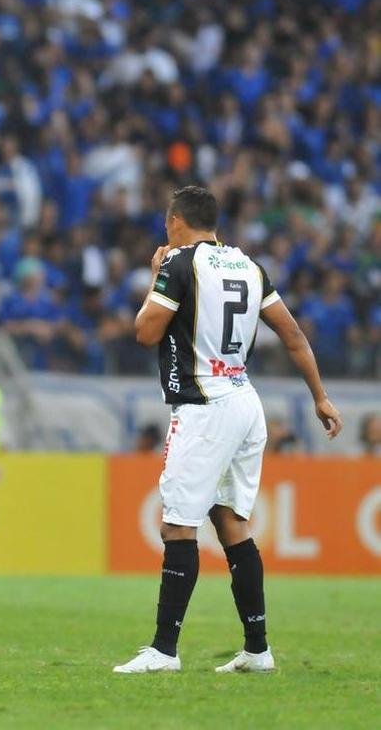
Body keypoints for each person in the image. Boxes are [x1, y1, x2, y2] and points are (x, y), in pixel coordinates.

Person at [114, 185, 343, 675]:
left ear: (176, 222)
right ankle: (258, 650)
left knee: (178, 525)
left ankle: (163, 650)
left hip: (205, 406)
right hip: (244, 401)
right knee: (230, 521)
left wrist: (155, 276)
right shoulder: (249, 266)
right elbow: (293, 334)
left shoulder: (179, 264)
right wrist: (320, 396)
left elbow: (145, 332)